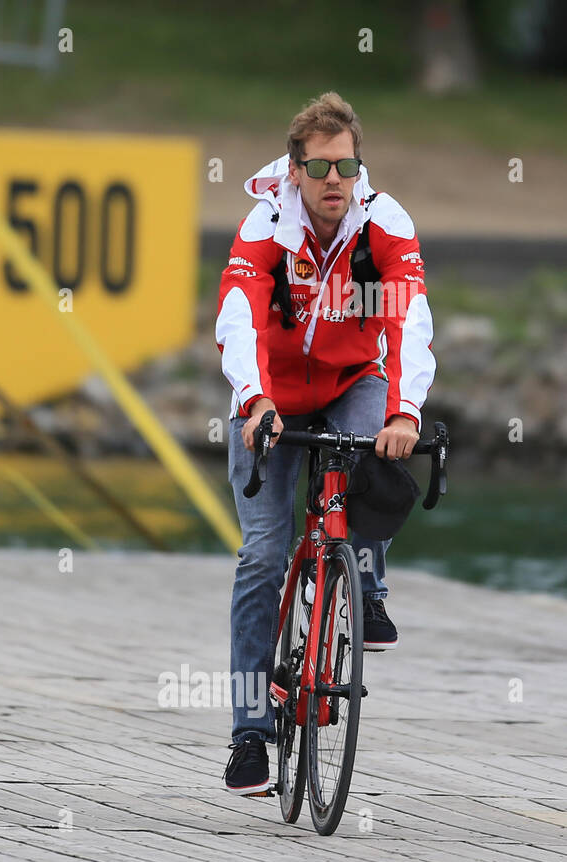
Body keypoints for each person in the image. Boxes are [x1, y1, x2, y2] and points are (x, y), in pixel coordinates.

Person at [214, 92, 436, 794]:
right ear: (295, 169)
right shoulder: (266, 225)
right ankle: (249, 734)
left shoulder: (383, 225)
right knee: (261, 557)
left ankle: (365, 581)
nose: (334, 179)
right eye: (319, 167)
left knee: (377, 445)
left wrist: (404, 413)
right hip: (271, 398)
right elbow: (238, 318)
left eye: (345, 164)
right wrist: (254, 401)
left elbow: (410, 321)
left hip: (351, 380)